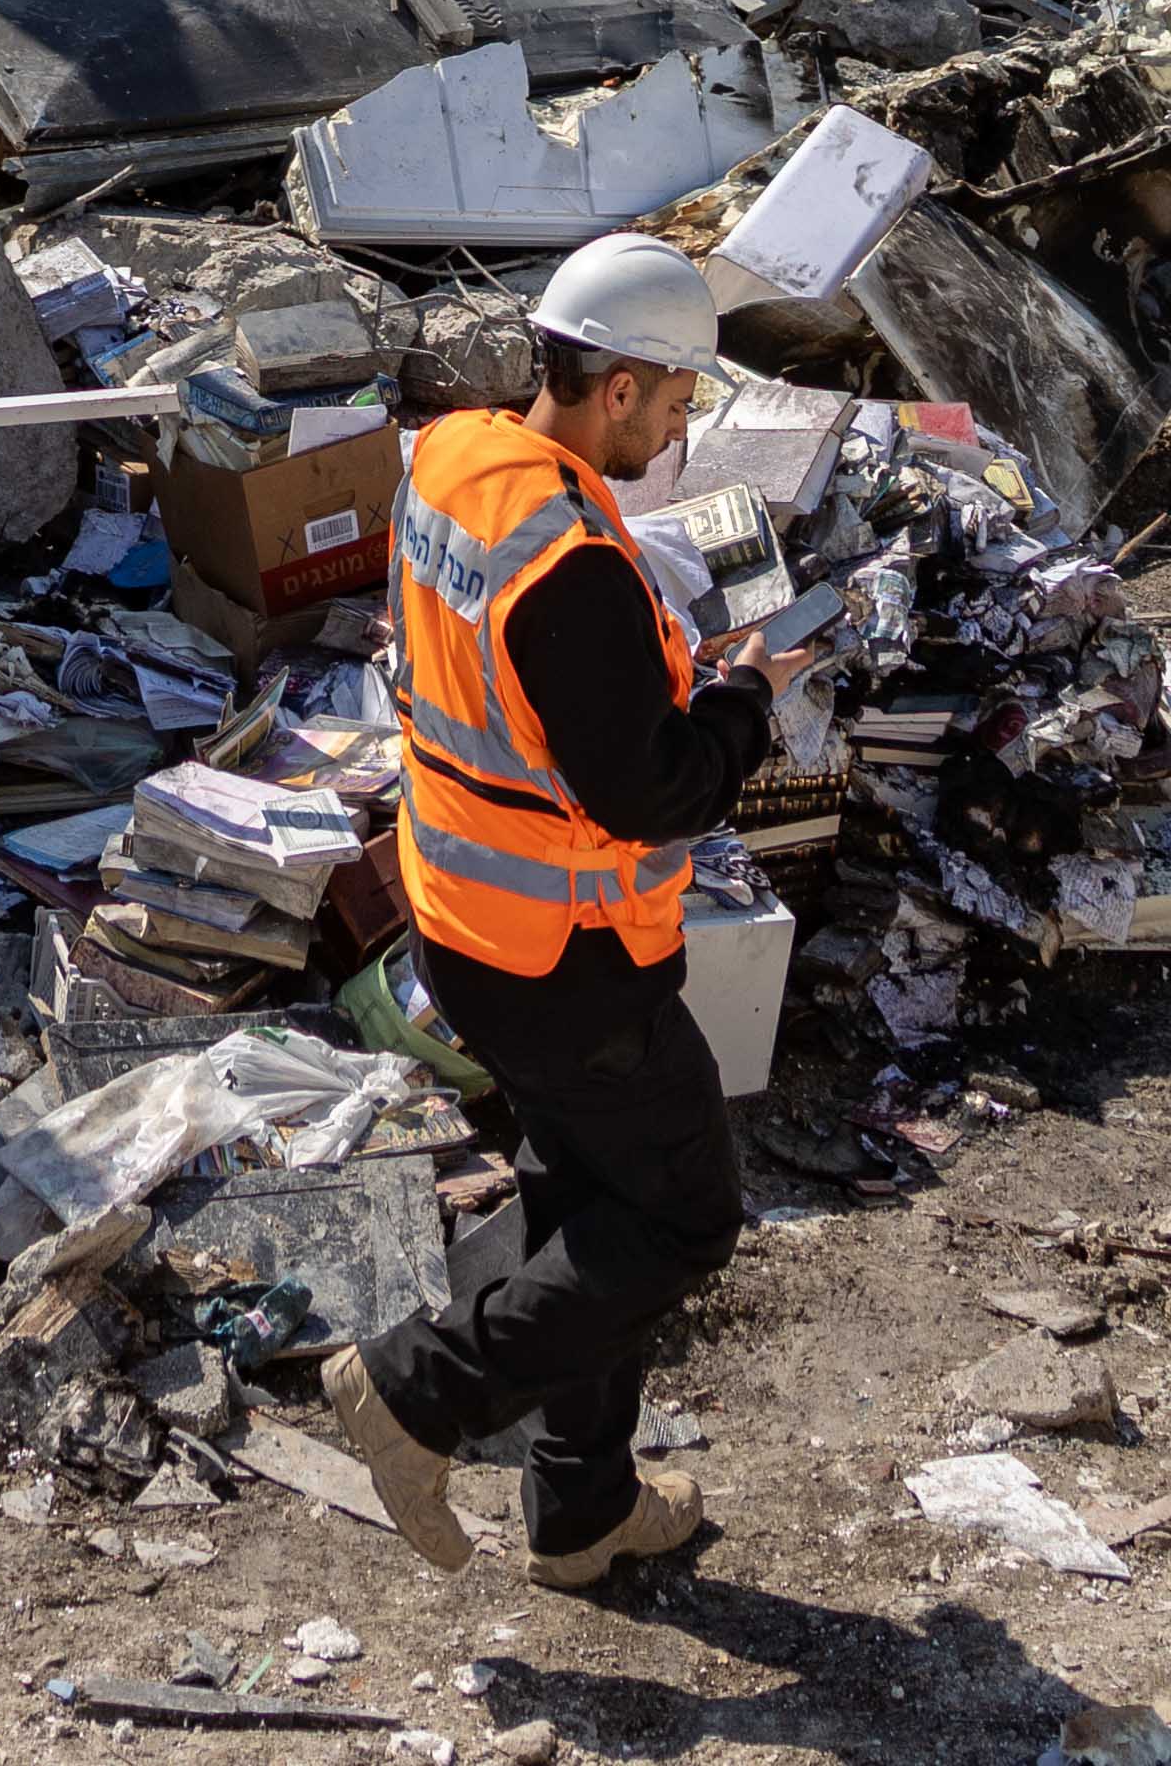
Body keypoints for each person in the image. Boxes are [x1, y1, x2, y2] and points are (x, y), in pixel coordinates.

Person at [322, 230, 769, 1594]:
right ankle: (417, 1391)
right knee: (682, 1220)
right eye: (680, 404)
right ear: (619, 387)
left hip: (460, 918)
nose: (683, 433)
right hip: (568, 962)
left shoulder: (456, 458)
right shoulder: (573, 561)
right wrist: (747, 706)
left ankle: (581, 1510)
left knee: (589, 1200)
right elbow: (648, 792)